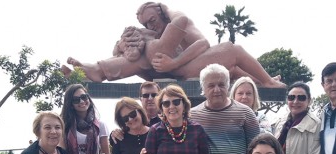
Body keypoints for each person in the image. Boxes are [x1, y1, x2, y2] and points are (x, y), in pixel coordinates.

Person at [62, 22, 285, 88]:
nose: (151, 23)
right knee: (141, 58)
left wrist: (175, 62)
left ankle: (97, 71)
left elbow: (204, 44)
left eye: (152, 19)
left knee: (231, 51)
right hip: (167, 72)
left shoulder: (177, 28)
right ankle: (95, 71)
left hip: (184, 67)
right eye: (147, 22)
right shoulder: (150, 43)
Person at [273, 82, 320, 154]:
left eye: (301, 98)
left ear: (309, 101)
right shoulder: (281, 122)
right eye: (291, 97)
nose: (295, 101)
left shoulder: (315, 125)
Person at [60, 84, 110, 154]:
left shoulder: (100, 125)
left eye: (84, 97)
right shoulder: (64, 126)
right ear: (70, 104)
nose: (82, 102)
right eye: (76, 100)